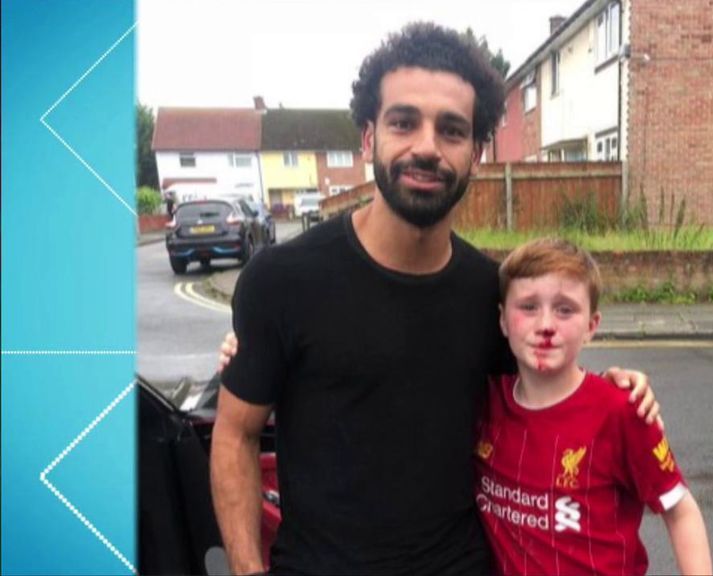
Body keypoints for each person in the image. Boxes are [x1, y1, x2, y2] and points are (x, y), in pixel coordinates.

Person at [212, 23, 659, 575]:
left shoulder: (490, 296)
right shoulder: (282, 280)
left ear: (475, 153)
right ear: (370, 138)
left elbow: (545, 401)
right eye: (404, 122)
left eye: (451, 130)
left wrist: (619, 390)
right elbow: (236, 435)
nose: (426, 146)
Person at [476, 238, 713, 575]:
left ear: (591, 326)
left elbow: (681, 510)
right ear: (502, 320)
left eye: (565, 309)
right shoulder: (485, 404)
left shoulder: (623, 411)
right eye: (528, 306)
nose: (545, 325)